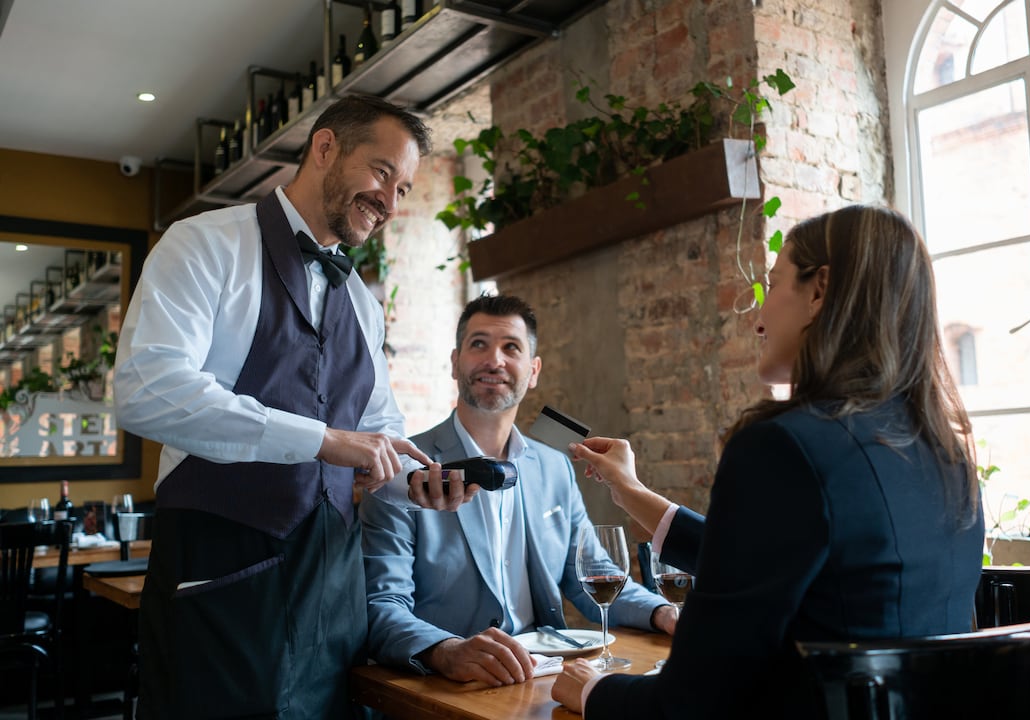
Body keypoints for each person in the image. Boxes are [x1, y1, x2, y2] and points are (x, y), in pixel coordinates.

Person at [114, 95, 476, 719]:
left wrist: (410, 480)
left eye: (405, 187)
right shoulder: (204, 244)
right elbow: (146, 389)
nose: (391, 202)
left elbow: (375, 431)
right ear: (325, 147)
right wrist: (321, 439)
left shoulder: (361, 302)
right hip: (221, 583)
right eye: (382, 173)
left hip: (333, 594)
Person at [550, 205, 985, 718]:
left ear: (818, 292)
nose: (758, 320)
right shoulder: (943, 448)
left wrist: (592, 691)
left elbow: (690, 703)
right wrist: (634, 494)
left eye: (774, 284)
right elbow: (790, 563)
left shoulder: (783, 446)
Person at [361, 293, 678, 687]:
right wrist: (445, 651)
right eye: (479, 345)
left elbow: (593, 577)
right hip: (448, 688)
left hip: (545, 680)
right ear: (455, 362)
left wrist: (662, 613)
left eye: (511, 347)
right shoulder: (403, 470)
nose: (494, 360)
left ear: (533, 370)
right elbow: (381, 605)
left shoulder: (554, 466)